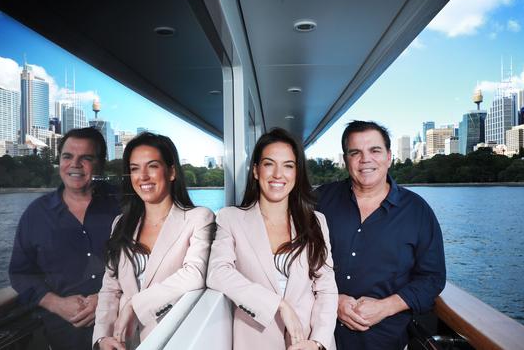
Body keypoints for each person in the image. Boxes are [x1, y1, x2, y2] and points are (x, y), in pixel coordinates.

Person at [315, 121, 446, 350]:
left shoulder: (417, 211)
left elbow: (432, 277)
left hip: (385, 341)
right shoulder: (320, 201)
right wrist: (333, 301)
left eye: (375, 151)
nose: (365, 159)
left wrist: (386, 307)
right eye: (355, 152)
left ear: (389, 157)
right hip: (320, 336)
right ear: (346, 160)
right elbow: (294, 261)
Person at [207, 128, 337, 350]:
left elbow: (326, 288)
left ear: (297, 173)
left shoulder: (316, 221)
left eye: (288, 165)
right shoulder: (231, 218)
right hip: (255, 342)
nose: (278, 174)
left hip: (307, 342)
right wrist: (278, 304)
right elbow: (218, 273)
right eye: (269, 164)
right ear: (256, 171)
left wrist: (318, 342)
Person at [93, 132, 215, 350]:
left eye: (152, 166)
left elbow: (195, 274)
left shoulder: (199, 218)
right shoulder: (121, 223)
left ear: (171, 172)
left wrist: (134, 306)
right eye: (134, 169)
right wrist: (102, 338)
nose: (143, 176)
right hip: (125, 342)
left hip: (176, 340)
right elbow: (110, 288)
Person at [9, 127, 120, 350]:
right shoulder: (36, 214)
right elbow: (20, 273)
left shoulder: (123, 204)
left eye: (86, 158)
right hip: (65, 338)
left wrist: (106, 299)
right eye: (67, 156)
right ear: (59, 161)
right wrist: (56, 304)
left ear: (99, 164)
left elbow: (149, 262)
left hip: (122, 332)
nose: (75, 164)